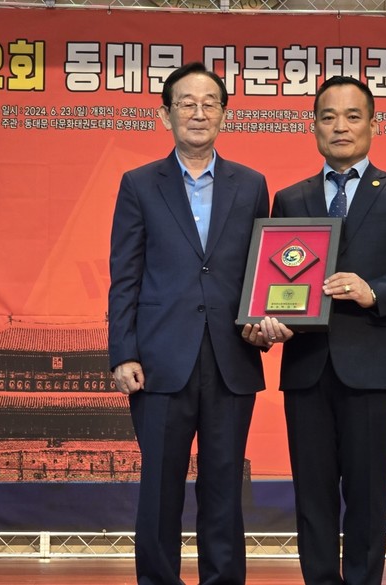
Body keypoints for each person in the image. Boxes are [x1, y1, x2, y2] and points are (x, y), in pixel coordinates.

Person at [244, 75, 386, 585]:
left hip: (370, 369)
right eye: (328, 116)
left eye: (353, 116)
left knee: (367, 494)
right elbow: (277, 273)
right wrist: (273, 319)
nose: (340, 127)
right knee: (312, 496)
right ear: (314, 127)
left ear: (373, 124)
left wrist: (373, 290)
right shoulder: (291, 198)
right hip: (306, 368)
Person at [107, 62, 284, 585]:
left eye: (210, 103)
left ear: (225, 114)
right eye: (186, 103)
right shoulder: (139, 184)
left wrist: (267, 318)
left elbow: (263, 270)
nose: (199, 112)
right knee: (160, 485)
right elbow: (125, 275)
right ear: (166, 115)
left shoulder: (250, 185)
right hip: (160, 360)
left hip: (231, 356)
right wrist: (123, 352)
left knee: (224, 484)